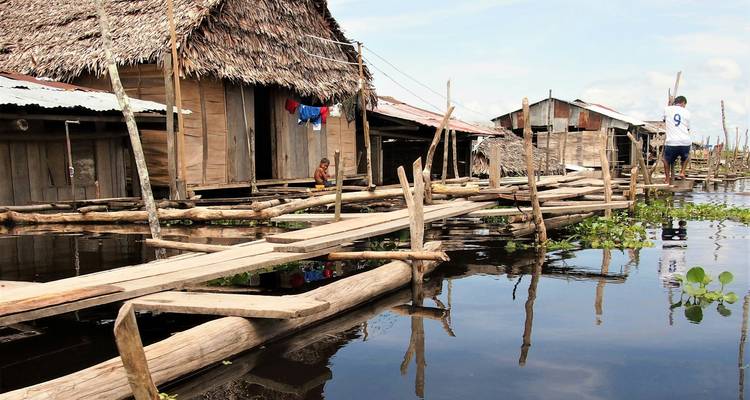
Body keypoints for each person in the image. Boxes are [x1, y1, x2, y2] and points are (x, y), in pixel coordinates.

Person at [662, 96, 692, 185]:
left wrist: (669, 105)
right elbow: (688, 129)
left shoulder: (667, 109)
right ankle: (682, 171)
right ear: (683, 103)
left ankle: (667, 179)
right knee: (686, 157)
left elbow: (664, 120)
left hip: (672, 142)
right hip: (685, 142)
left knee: (666, 160)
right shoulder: (687, 112)